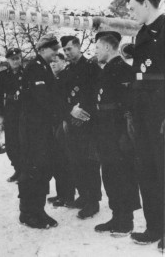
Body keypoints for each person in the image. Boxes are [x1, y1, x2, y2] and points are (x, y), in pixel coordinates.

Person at [128, 0, 165, 247]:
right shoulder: (141, 33)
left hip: (161, 111)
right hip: (142, 111)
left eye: (132, 7)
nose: (130, 13)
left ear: (147, 4)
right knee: (147, 170)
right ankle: (154, 228)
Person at [94, 31, 141, 235]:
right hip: (106, 131)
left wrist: (125, 133)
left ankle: (125, 221)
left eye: (97, 48)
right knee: (111, 175)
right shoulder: (108, 69)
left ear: (106, 47)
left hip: (118, 131)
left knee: (123, 175)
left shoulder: (122, 69)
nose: (95, 53)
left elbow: (129, 105)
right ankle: (116, 216)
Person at [18, 34, 62, 229]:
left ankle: (38, 210)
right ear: (43, 49)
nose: (56, 53)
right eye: (54, 49)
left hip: (42, 128)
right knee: (34, 170)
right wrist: (64, 110)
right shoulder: (35, 68)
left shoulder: (43, 67)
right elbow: (43, 99)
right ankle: (28, 213)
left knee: (42, 169)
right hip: (33, 130)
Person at [60, 35, 102, 219]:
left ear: (78, 47)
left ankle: (93, 201)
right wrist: (70, 112)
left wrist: (83, 113)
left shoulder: (91, 68)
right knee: (75, 160)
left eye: (69, 49)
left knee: (89, 162)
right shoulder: (67, 70)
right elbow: (62, 95)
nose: (67, 53)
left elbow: (96, 94)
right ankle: (83, 194)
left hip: (88, 122)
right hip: (72, 121)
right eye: (64, 50)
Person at [48, 53, 76, 207]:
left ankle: (69, 195)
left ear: (64, 62)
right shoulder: (53, 78)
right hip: (54, 122)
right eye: (51, 62)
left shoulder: (67, 77)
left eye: (56, 61)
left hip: (63, 122)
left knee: (65, 160)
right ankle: (61, 193)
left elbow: (68, 101)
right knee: (57, 160)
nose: (53, 64)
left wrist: (66, 119)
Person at [0, 48, 23, 182]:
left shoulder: (27, 73)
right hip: (10, 111)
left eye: (18, 58)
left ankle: (24, 171)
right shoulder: (3, 75)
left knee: (23, 142)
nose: (16, 61)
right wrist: (0, 115)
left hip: (24, 111)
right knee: (11, 145)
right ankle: (18, 168)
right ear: (8, 60)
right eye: (13, 59)